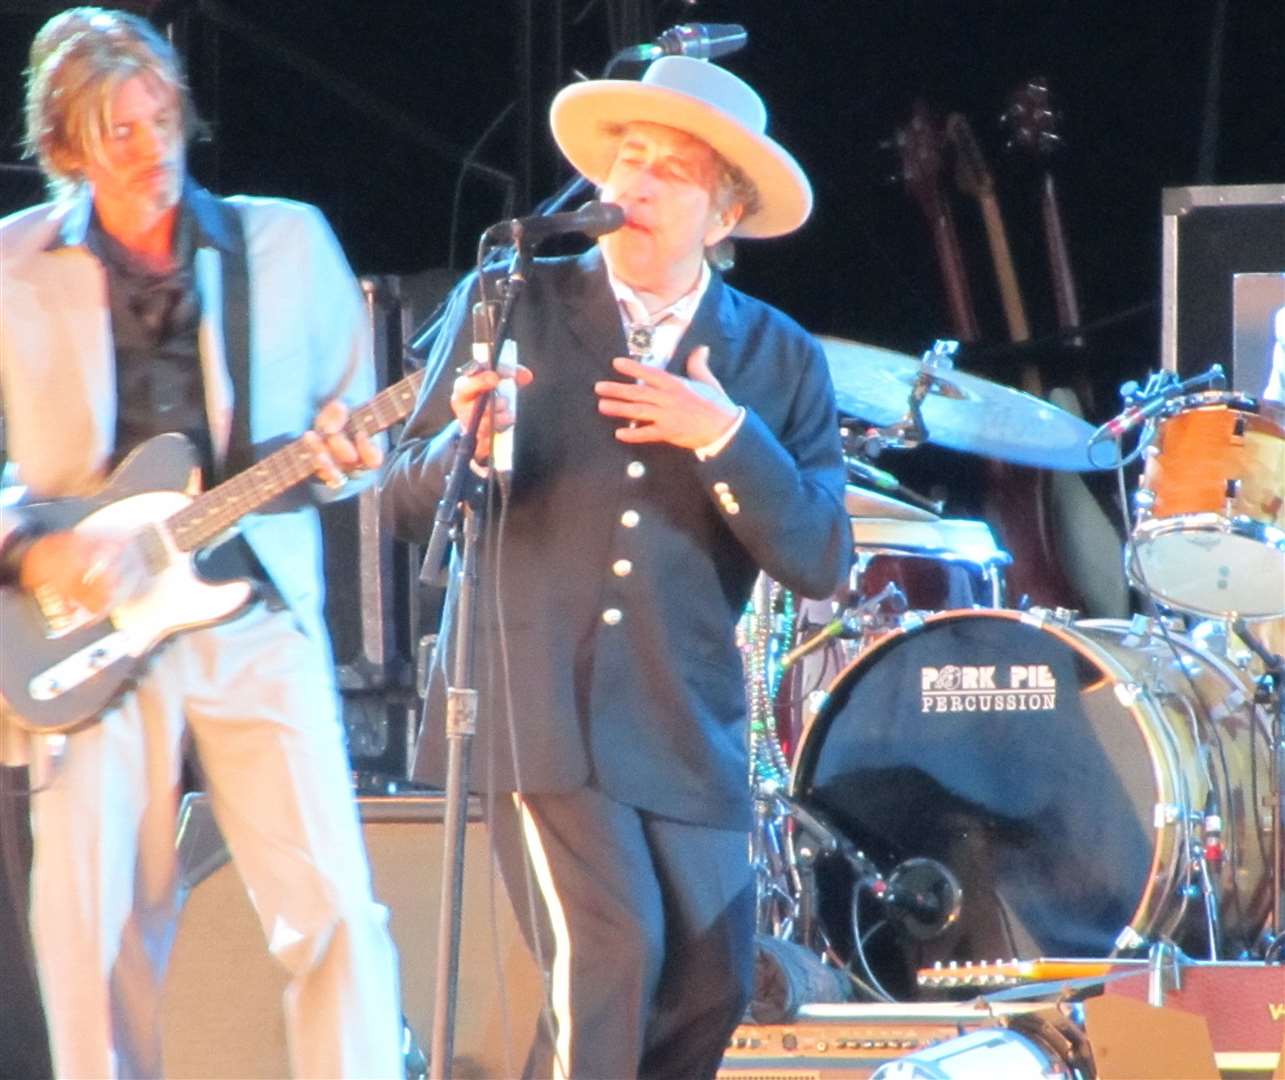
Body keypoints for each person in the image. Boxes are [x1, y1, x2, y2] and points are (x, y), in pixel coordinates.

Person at [382, 55, 850, 1079]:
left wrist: (724, 435)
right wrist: (474, 443)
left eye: (668, 172)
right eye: (624, 161)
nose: (632, 187)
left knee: (709, 982)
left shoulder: (776, 358)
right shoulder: (515, 300)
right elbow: (399, 496)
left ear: (722, 215)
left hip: (681, 716)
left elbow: (819, 553)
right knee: (609, 951)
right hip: (533, 694)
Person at [0, 8, 403, 1077]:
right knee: (92, 934)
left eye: (162, 120)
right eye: (120, 134)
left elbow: (348, 428)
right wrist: (37, 551)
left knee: (335, 911)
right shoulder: (11, 267)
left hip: (254, 607)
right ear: (68, 149)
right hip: (88, 629)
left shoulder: (286, 241)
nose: (152, 152)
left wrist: (346, 452)